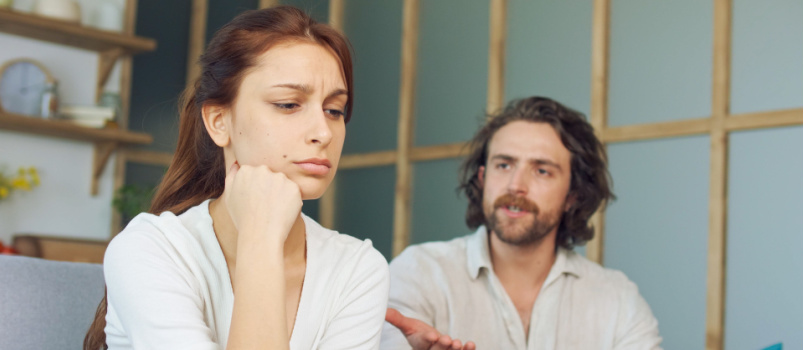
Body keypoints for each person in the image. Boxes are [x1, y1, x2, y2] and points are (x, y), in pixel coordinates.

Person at [83, 6, 389, 350]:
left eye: (334, 110)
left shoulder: (358, 268)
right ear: (218, 121)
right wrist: (260, 239)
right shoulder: (150, 250)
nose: (324, 132)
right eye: (289, 104)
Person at [381, 97, 662, 350]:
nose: (516, 185)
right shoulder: (419, 273)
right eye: (504, 165)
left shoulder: (618, 301)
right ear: (482, 179)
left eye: (542, 170)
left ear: (572, 195)